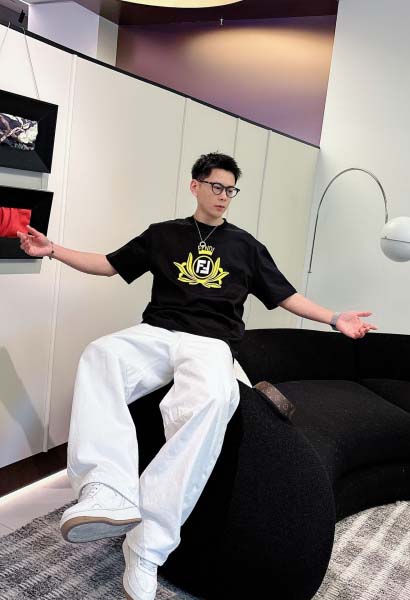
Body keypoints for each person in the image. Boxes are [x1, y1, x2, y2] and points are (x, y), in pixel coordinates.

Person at [18, 152, 377, 600]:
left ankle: (146, 547)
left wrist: (335, 317)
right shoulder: (163, 234)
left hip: (211, 342)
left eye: (231, 190)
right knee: (101, 354)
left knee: (212, 400)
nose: (224, 196)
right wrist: (52, 250)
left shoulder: (246, 246)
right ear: (195, 186)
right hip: (157, 333)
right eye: (216, 187)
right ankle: (105, 490)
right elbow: (108, 263)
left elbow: (286, 295)